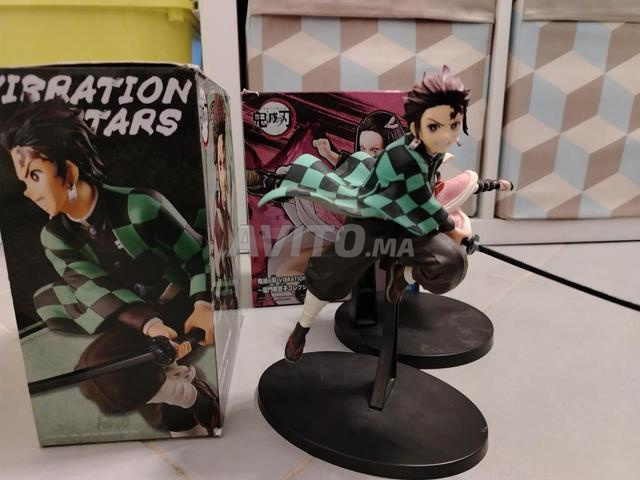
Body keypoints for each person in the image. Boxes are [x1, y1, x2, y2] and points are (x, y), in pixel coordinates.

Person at [259, 66, 511, 362]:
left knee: (452, 263)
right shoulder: (401, 157)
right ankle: (301, 330)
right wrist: (452, 230)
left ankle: (401, 277)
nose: (445, 135)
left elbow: (431, 198)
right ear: (416, 124)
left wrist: (479, 197)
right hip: (372, 221)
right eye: (434, 127)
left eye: (453, 124)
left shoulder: (433, 153)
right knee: (331, 275)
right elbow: (422, 201)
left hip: (407, 223)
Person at [0, 99, 219, 435]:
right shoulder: (55, 235)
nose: (29, 192)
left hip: (182, 305)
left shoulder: (139, 207)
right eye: (24, 181)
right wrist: (150, 325)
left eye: (34, 175)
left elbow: (197, 255)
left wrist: (203, 304)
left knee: (106, 367)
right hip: (134, 314)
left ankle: (186, 398)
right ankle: (184, 393)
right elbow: (93, 285)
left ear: (69, 171)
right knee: (84, 352)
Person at [246, 111, 405, 304]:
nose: (366, 155)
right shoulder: (364, 172)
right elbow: (355, 168)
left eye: (375, 150)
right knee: (282, 263)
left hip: (364, 238)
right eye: (362, 149)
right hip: (342, 231)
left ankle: (272, 183)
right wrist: (330, 155)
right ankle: (273, 183)